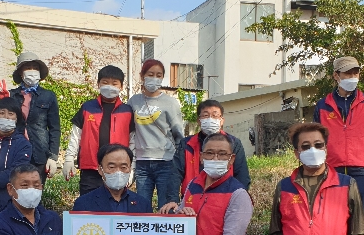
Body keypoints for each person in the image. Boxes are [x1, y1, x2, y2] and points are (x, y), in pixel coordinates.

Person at [266, 123, 364, 235]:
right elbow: (276, 233)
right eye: (305, 147)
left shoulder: (346, 184)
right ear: (297, 153)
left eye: (318, 145)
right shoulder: (285, 187)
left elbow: (357, 230)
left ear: (326, 148)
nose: (313, 150)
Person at [312, 56, 364, 202]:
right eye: (347, 73)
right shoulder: (323, 105)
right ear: (336, 75)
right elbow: (316, 137)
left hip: (360, 166)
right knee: (334, 211)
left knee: (357, 211)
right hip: (332, 167)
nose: (352, 77)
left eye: (355, 73)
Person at [64, 65, 136, 195]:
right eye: (105, 82)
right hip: (90, 168)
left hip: (117, 169)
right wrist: (69, 158)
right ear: (98, 84)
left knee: (115, 206)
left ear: (121, 87)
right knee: (88, 206)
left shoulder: (127, 111)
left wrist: (131, 168)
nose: (109, 86)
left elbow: (133, 142)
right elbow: (76, 135)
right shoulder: (87, 107)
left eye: (114, 83)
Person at [127, 59, 185, 208]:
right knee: (141, 206)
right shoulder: (134, 101)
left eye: (159, 75)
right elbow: (130, 131)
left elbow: (179, 133)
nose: (154, 78)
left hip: (166, 162)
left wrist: (178, 159)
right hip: (142, 163)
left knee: (165, 207)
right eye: (150, 74)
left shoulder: (170, 103)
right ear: (142, 76)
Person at [174, 100, 251, 192]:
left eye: (215, 115)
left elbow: (242, 175)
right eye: (206, 115)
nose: (210, 119)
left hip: (225, 196)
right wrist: (172, 199)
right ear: (199, 120)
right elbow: (175, 174)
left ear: (222, 120)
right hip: (192, 197)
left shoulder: (234, 143)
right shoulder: (186, 144)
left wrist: (240, 197)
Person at [7, 52, 61, 182]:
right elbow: (2, 123)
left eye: (35, 68)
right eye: (28, 68)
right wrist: (3, 102)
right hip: (16, 151)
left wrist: (53, 157)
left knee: (35, 191)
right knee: (15, 190)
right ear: (20, 72)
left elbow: (55, 128)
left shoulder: (48, 96)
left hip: (39, 154)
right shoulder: (11, 95)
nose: (32, 71)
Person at [72, 144, 152, 214]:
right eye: (112, 167)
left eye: (123, 167)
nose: (118, 172)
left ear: (130, 169)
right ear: (100, 169)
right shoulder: (84, 204)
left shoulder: (143, 205)